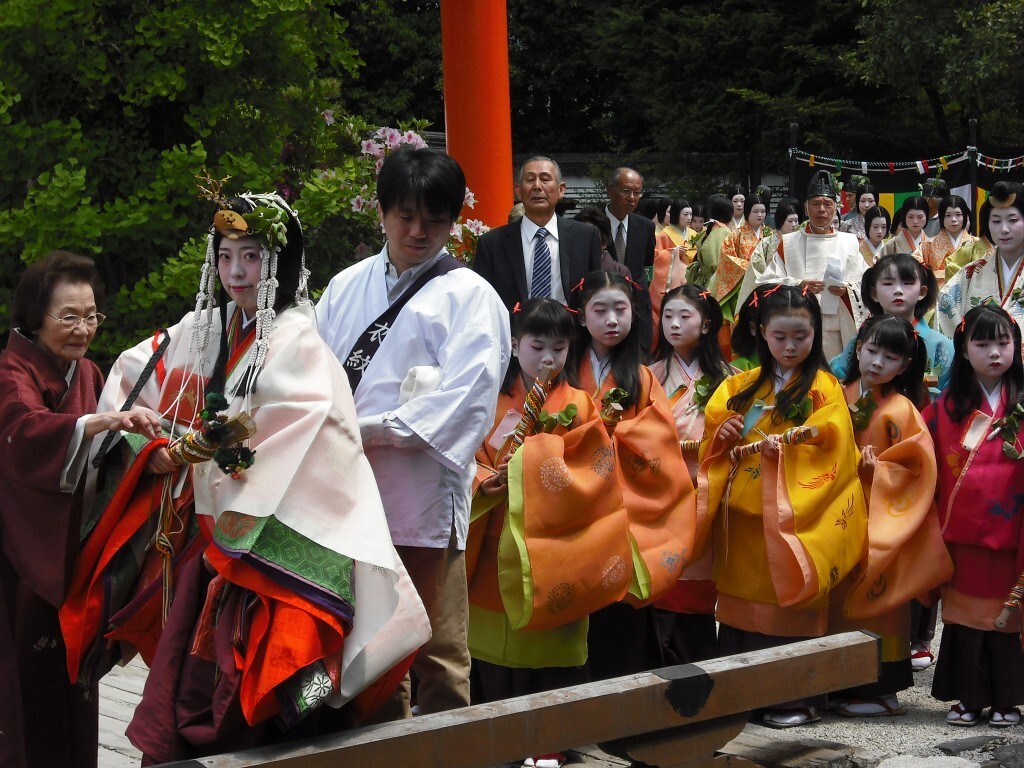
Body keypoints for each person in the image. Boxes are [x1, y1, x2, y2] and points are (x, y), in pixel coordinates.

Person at [73, 192, 425, 763]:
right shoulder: (203, 328)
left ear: (280, 264)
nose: (236, 272)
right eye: (226, 256)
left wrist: (200, 451)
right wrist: (145, 440)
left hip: (293, 535)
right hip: (216, 543)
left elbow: (313, 436)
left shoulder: (299, 342)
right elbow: (138, 377)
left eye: (253, 257)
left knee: (297, 672)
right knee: (195, 684)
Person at [317, 147, 511, 719]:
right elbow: (314, 378)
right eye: (404, 215)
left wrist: (365, 428)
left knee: (438, 649)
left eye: (434, 218)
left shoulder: (472, 298)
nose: (418, 230)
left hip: (421, 496)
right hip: (349, 493)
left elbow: (464, 405)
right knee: (369, 645)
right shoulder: (344, 288)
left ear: (454, 221)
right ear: (381, 213)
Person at [0, 252, 160, 768]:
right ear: (34, 315)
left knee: (72, 682)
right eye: (68, 316)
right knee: (24, 686)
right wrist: (97, 424)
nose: (83, 328)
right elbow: (25, 433)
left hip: (70, 555)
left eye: (91, 315)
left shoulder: (86, 373)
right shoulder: (10, 372)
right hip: (20, 554)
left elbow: (103, 455)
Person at [468, 298, 627, 768]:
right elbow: (466, 456)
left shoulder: (579, 404)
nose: (549, 359)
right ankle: (497, 739)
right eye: (537, 346)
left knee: (553, 649)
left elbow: (595, 468)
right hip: (495, 543)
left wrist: (541, 468)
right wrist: (484, 479)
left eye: (559, 348)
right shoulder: (491, 400)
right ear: (515, 344)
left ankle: (550, 741)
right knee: (494, 648)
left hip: (555, 546)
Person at [697, 285, 866, 728]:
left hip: (794, 515)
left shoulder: (825, 389)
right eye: (780, 336)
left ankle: (796, 699)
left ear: (815, 335)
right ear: (760, 332)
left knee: (790, 601)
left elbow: (836, 447)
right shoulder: (738, 386)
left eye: (801, 336)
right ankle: (740, 697)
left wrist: (787, 450)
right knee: (741, 613)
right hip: (743, 518)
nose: (790, 346)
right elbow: (713, 432)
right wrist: (726, 433)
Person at [567, 271, 696, 680]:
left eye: (620, 309)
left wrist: (610, 434)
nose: (611, 320)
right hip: (573, 498)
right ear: (581, 316)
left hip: (622, 505)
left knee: (619, 599)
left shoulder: (640, 376)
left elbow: (659, 437)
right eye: (600, 310)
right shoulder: (566, 369)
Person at [829, 315, 950, 718]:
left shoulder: (901, 410)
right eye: (872, 350)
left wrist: (878, 471)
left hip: (879, 519)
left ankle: (882, 688)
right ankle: (837, 682)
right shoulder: (835, 396)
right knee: (837, 599)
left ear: (904, 364)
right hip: (835, 513)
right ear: (858, 346)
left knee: (879, 599)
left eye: (891, 357)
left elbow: (918, 468)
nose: (878, 362)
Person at [925, 305, 1024, 727]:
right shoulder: (946, 407)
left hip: (1013, 529)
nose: (995, 353)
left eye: (1004, 343)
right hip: (961, 532)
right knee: (964, 620)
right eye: (982, 344)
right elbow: (923, 461)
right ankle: (969, 697)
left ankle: (1007, 698)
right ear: (963, 350)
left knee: (1006, 619)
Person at [648, 285, 732, 663]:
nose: (675, 324)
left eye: (685, 316)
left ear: (707, 323)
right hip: (657, 490)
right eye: (668, 316)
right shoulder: (647, 376)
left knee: (697, 577)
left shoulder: (731, 379)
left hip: (707, 490)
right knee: (659, 576)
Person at [756, 170, 867, 360]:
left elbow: (866, 283)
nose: (821, 209)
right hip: (797, 332)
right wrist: (797, 285)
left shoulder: (849, 243)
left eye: (827, 204)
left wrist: (847, 291)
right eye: (816, 204)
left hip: (837, 331)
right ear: (806, 209)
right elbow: (764, 284)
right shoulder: (789, 243)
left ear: (836, 209)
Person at [475, 157, 602, 309]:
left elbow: (596, 293)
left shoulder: (586, 236)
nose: (537, 186)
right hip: (515, 331)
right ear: (518, 191)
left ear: (561, 189)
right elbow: (483, 301)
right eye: (530, 180)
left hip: (571, 329)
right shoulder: (492, 243)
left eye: (545, 179)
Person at [831, 253, 954, 395]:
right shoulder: (862, 339)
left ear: (922, 291)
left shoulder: (941, 346)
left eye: (907, 283)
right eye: (888, 283)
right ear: (874, 293)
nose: (898, 290)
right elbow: (838, 379)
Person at [937, 181, 1024, 338]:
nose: (1004, 229)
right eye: (996, 221)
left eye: (1013, 220)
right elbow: (945, 308)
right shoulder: (971, 273)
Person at [604, 167, 656, 347]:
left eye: (637, 192)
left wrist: (640, 288)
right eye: (626, 191)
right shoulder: (590, 224)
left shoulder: (646, 227)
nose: (632, 198)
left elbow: (648, 267)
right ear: (610, 190)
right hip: (603, 310)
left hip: (638, 308)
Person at [735, 199, 801, 312]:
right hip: (772, 294)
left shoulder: (801, 243)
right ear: (781, 221)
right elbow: (756, 269)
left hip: (798, 294)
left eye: (796, 220)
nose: (794, 225)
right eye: (790, 221)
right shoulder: (766, 243)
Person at [716, 192, 770, 324]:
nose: (760, 215)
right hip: (742, 285)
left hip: (766, 284)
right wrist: (752, 268)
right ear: (747, 212)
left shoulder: (770, 234)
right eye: (755, 211)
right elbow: (727, 258)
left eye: (763, 211)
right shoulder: (735, 235)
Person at [918, 195, 976, 285]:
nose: (953, 220)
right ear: (941, 218)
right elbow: (918, 272)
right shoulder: (927, 245)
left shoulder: (977, 244)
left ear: (964, 216)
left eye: (958, 215)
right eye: (948, 215)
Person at [877, 196, 930, 260]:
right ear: (904, 217)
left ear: (926, 216)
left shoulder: (931, 244)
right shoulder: (893, 244)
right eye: (911, 217)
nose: (915, 221)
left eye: (920, 217)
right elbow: (879, 263)